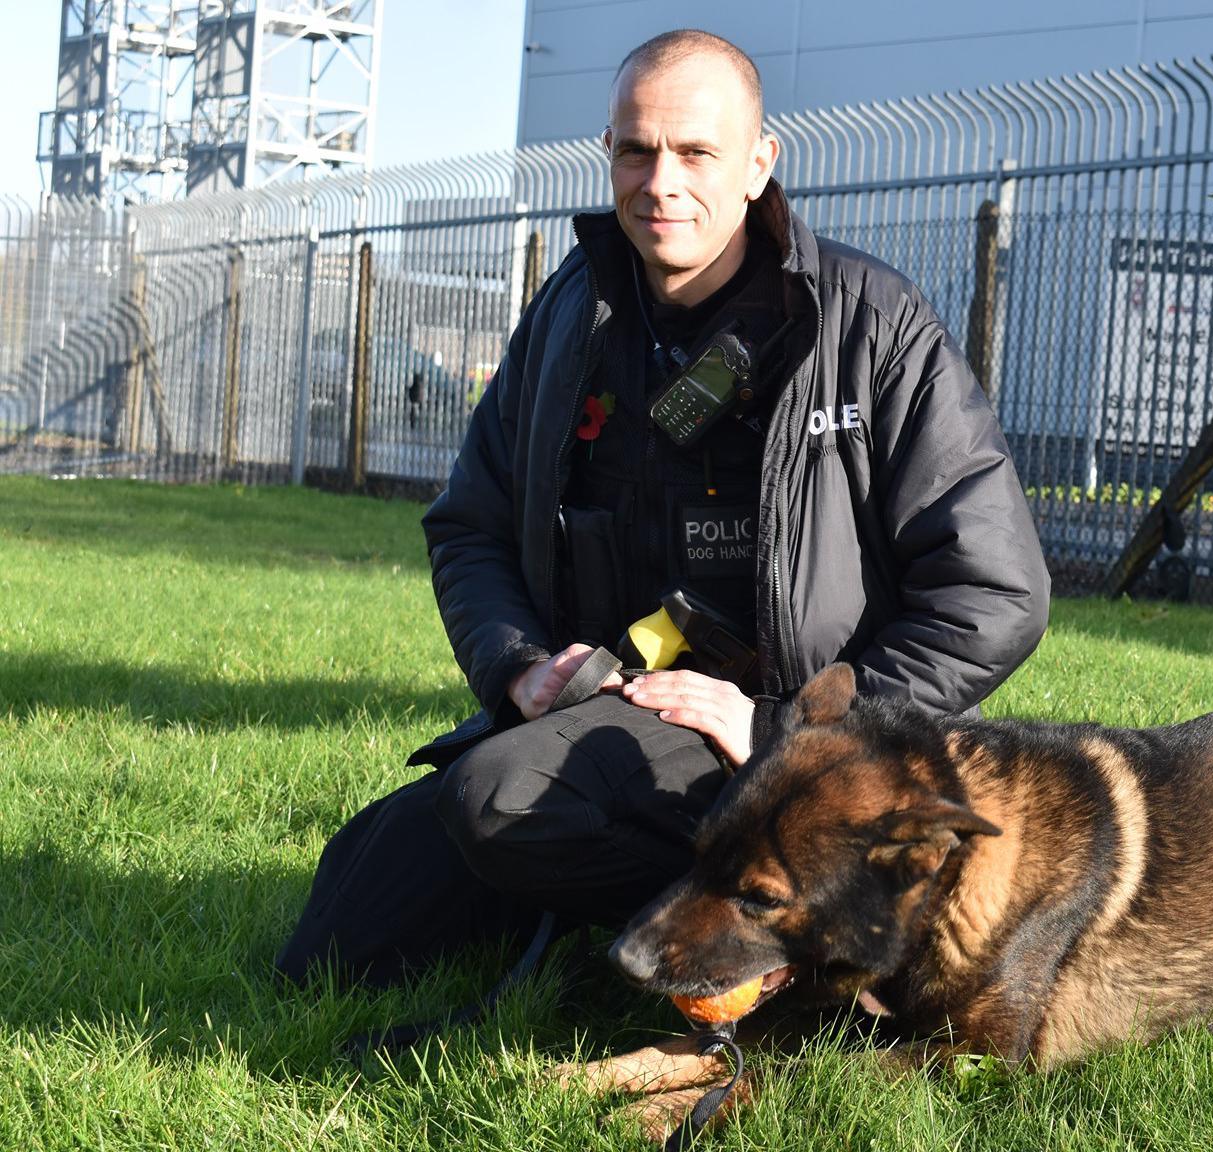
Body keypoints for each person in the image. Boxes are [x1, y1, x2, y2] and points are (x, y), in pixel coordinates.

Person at [275, 29, 1050, 986]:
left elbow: (995, 593)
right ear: (608, 153)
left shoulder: (869, 324)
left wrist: (789, 733)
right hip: (603, 712)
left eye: (696, 152)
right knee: (339, 933)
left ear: (759, 165)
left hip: (783, 743)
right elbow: (469, 526)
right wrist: (519, 670)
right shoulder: (570, 316)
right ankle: (617, 903)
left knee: (499, 802)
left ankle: (790, 927)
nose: (661, 181)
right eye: (636, 149)